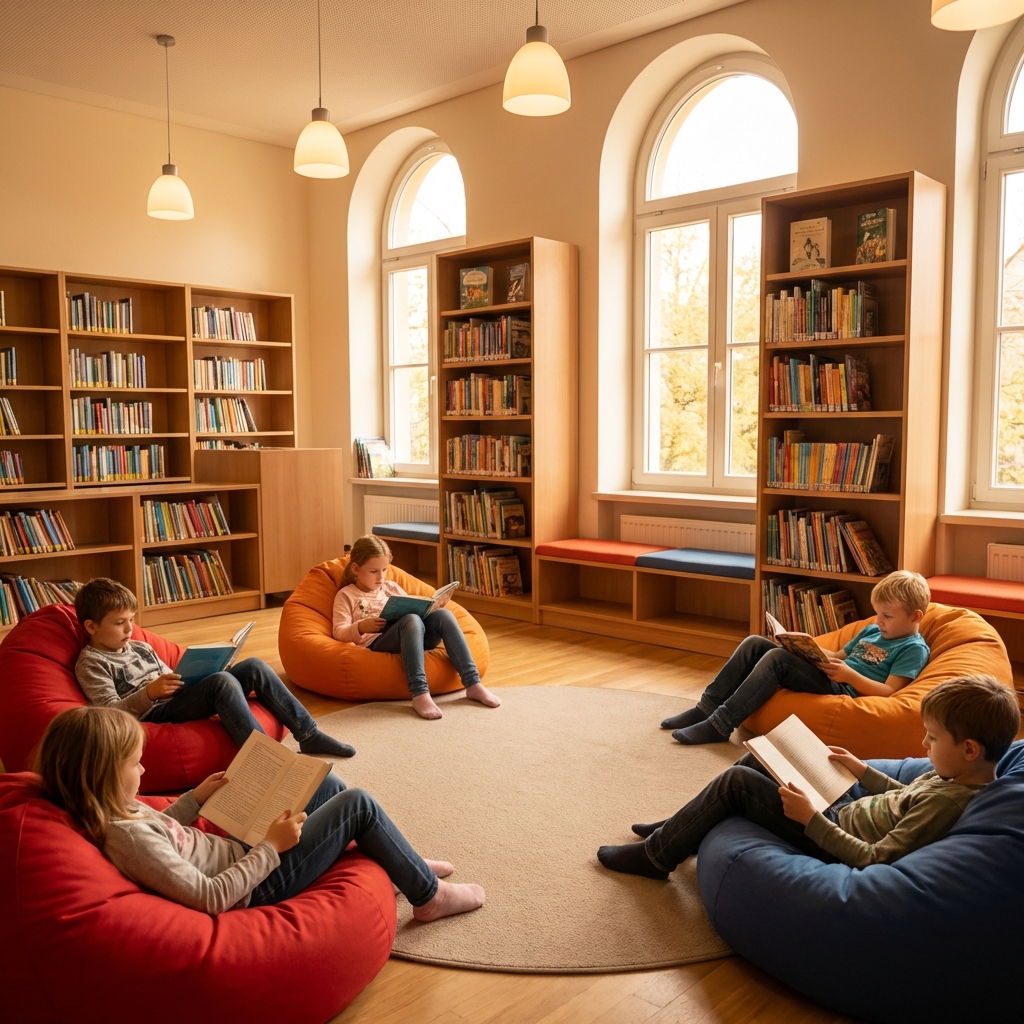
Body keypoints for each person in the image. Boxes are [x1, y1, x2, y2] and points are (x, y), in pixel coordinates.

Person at [34, 705, 485, 919]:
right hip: (257, 885)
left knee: (322, 782)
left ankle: (396, 862)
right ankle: (427, 896)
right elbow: (209, 897)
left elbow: (164, 828)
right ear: (101, 773)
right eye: (135, 763)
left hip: (238, 853)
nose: (145, 767)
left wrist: (195, 799)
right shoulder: (126, 839)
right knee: (357, 803)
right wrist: (271, 846)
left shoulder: (113, 804)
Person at [598, 674, 1019, 878]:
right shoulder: (956, 777)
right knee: (763, 757)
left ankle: (657, 857)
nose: (923, 747)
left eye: (931, 738)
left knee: (737, 782)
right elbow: (905, 793)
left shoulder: (948, 802)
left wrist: (809, 819)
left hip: (832, 836)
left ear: (969, 749)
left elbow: (876, 858)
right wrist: (862, 769)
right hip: (848, 805)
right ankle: (677, 828)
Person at [74, 577, 356, 758]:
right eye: (119, 622)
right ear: (92, 626)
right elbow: (107, 712)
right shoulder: (92, 662)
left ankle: (309, 734)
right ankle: (266, 759)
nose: (129, 628)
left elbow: (169, 676)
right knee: (222, 683)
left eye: (131, 620)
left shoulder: (140, 646)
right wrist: (148, 693)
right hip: (153, 714)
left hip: (176, 698)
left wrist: (207, 668)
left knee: (254, 666)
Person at [661, 570, 932, 745]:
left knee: (776, 661)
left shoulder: (912, 648)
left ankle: (720, 725)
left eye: (887, 616)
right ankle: (706, 708)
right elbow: (837, 654)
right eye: (877, 613)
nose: (879, 621)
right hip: (831, 673)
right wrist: (801, 644)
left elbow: (890, 692)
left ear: (915, 616)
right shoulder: (872, 630)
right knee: (755, 643)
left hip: (844, 690)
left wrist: (850, 676)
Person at [332, 535, 501, 720]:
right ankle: (420, 693)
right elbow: (339, 631)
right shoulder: (346, 595)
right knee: (411, 620)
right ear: (356, 568)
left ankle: (473, 683)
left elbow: (412, 608)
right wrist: (361, 627)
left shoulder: (391, 587)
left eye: (384, 570)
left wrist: (431, 609)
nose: (381, 577)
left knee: (443, 615)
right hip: (377, 642)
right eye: (374, 571)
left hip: (413, 636)